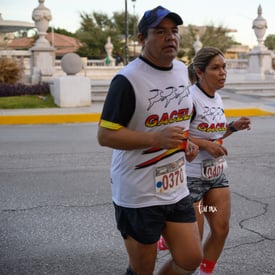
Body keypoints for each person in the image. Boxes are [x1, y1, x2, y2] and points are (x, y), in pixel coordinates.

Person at [97, 5, 203, 275]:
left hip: (176, 187)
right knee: (142, 269)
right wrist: (156, 138)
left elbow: (178, 119)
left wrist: (185, 142)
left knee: (191, 258)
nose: (171, 37)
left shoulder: (182, 71)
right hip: (138, 193)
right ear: (142, 39)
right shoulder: (127, 80)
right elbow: (105, 135)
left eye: (174, 31)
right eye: (160, 32)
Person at [158, 47, 251, 274]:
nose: (223, 73)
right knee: (192, 244)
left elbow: (214, 135)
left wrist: (232, 128)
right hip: (189, 179)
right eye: (215, 68)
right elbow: (176, 136)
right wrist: (206, 145)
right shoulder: (189, 98)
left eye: (224, 67)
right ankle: (169, 239)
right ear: (199, 73)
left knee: (221, 230)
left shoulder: (217, 98)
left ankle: (205, 271)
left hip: (215, 174)